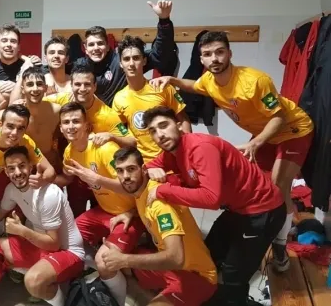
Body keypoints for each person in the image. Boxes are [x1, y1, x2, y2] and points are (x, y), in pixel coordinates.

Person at [150, 31, 314, 271]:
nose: (214, 58)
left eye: (220, 52)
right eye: (208, 54)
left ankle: (280, 247)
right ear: (201, 59)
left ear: (229, 53)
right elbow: (194, 86)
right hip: (263, 134)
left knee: (278, 188)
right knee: (260, 184)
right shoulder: (209, 80)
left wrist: (256, 143)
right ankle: (259, 230)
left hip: (293, 130)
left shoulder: (255, 81)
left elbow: (279, 117)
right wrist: (171, 80)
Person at [143, 106, 286, 306]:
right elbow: (147, 166)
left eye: (163, 125)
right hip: (238, 209)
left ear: (179, 125)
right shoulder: (172, 151)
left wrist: (163, 190)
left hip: (263, 210)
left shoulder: (199, 147)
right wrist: (151, 169)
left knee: (233, 274)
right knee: (209, 253)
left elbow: (210, 198)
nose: (160, 134)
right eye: (153, 131)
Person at [0, 146, 85, 306]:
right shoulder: (12, 189)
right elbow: (0, 212)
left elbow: (54, 244)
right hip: (41, 246)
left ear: (31, 166)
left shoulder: (48, 194)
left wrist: (22, 231)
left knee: (33, 282)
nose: (17, 172)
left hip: (68, 252)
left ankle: (58, 298)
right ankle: (46, 278)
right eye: (12, 168)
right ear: (6, 172)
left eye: (22, 166)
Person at [102, 146, 217, 306]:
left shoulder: (159, 203)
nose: (125, 176)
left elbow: (176, 258)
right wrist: (130, 213)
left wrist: (124, 260)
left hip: (197, 276)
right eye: (120, 171)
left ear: (143, 169)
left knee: (123, 262)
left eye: (131, 169)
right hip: (171, 269)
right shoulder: (141, 191)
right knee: (118, 263)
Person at [56, 102, 144, 298]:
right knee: (65, 238)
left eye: (76, 121)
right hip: (103, 211)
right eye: (66, 122)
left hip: (131, 213)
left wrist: (96, 179)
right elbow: (66, 176)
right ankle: (108, 267)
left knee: (105, 262)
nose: (71, 126)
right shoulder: (69, 152)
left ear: (87, 126)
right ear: (60, 128)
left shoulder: (104, 148)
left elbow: (133, 187)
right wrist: (41, 179)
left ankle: (118, 294)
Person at [75, 0, 176, 106]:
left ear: (108, 46)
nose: (96, 48)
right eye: (91, 45)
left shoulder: (124, 60)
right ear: (85, 48)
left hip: (123, 113)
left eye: (100, 43)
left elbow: (158, 55)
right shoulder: (79, 66)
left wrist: (164, 21)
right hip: (91, 115)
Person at [113, 35, 191, 163]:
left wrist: (188, 149)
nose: (131, 64)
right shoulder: (119, 98)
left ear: (144, 61)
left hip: (173, 158)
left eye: (136, 58)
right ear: (121, 64)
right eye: (126, 59)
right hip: (143, 164)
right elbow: (120, 130)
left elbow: (183, 119)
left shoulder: (162, 87)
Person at [41, 64, 137, 149]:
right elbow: (36, 102)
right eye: (77, 84)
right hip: (67, 155)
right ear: (71, 86)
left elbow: (132, 142)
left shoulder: (107, 114)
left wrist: (111, 137)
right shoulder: (62, 99)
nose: (82, 89)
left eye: (87, 84)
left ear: (95, 86)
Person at [10, 66, 63, 167]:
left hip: (50, 162)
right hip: (25, 165)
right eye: (30, 84)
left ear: (45, 88)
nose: (35, 89)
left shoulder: (57, 110)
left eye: (39, 84)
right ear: (22, 89)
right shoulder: (15, 112)